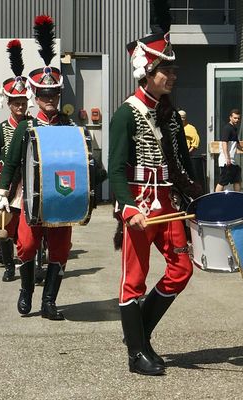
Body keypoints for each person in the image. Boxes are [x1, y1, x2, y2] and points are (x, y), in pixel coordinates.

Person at [108, 4, 202, 375]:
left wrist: (198, 197)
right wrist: (128, 208)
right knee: (134, 278)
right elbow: (114, 169)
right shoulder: (125, 113)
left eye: (173, 69)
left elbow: (182, 165)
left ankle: (139, 335)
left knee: (181, 269)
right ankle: (136, 355)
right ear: (147, 71)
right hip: (141, 208)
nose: (172, 75)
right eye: (166, 69)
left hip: (169, 204)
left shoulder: (170, 114)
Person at [0, 15, 78, 321]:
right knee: (27, 246)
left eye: (53, 94)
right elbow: (14, 161)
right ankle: (27, 291)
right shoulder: (26, 126)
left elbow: (81, 159)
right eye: (44, 94)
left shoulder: (69, 124)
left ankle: (49, 302)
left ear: (59, 95)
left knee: (60, 249)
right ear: (36, 96)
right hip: (30, 196)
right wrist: (3, 189)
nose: (49, 99)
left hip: (61, 195)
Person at [0, 39, 30, 282]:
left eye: (23, 102)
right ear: (9, 104)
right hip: (7, 187)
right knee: (4, 232)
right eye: (16, 103)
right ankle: (9, 266)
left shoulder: (34, 125)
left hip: (30, 185)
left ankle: (29, 264)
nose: (20, 106)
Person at [215, 109, 242, 192]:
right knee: (223, 181)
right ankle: (216, 198)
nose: (237, 120)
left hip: (233, 161)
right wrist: (227, 158)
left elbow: (237, 144)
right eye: (235, 118)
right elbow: (224, 143)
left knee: (237, 180)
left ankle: (237, 199)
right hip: (226, 160)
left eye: (238, 118)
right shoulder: (227, 128)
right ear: (230, 117)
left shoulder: (234, 129)